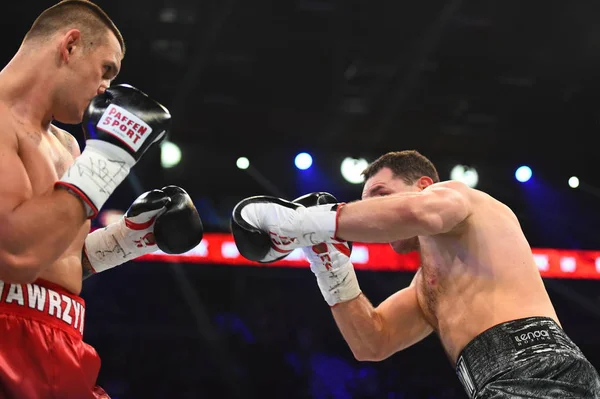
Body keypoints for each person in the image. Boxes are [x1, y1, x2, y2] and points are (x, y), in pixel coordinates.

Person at [231, 150, 600, 398]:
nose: (370, 209)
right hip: (498, 383)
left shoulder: (459, 198)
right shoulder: (427, 287)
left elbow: (422, 214)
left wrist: (303, 223)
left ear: (423, 186)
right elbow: (372, 343)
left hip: (539, 365)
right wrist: (330, 263)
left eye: (380, 193)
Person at [0, 1, 203, 398]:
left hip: (65, 343)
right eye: (106, 69)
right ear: (70, 45)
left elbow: (56, 260)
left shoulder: (69, 146)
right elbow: (14, 255)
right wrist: (110, 157)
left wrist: (128, 238)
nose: (106, 88)